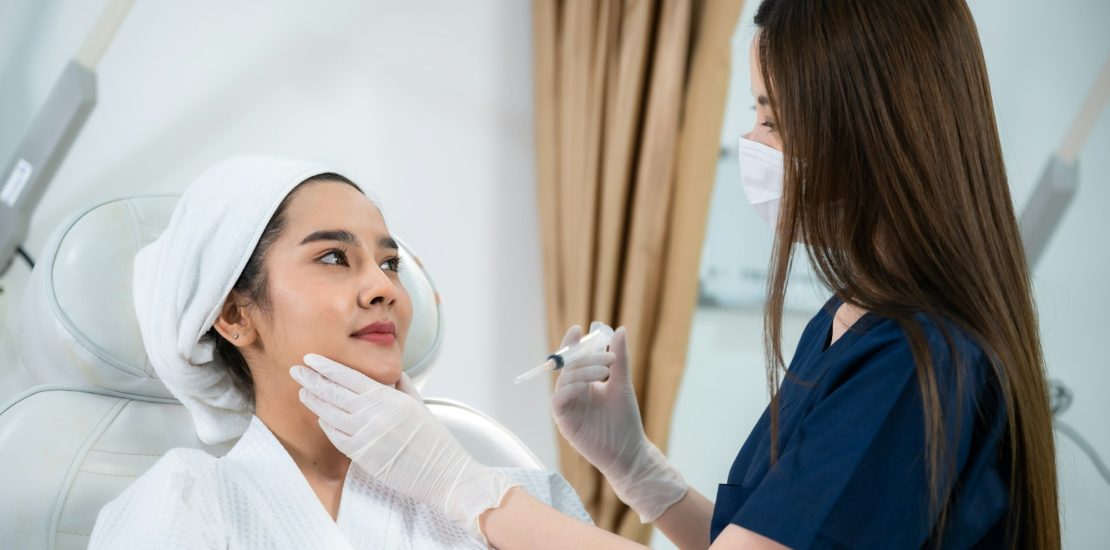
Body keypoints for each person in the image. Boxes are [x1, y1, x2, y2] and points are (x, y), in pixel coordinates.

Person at [292, 0, 1062, 548]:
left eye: (771, 118)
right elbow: (764, 538)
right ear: (232, 316)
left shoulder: (915, 364)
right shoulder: (847, 322)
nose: (750, 142)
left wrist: (462, 484)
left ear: (861, 132)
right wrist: (638, 471)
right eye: (333, 256)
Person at [88, 156, 590, 549]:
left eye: (390, 263)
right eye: (333, 257)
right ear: (236, 316)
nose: (383, 287)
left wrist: (475, 494)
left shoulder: (513, 501)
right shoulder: (185, 502)